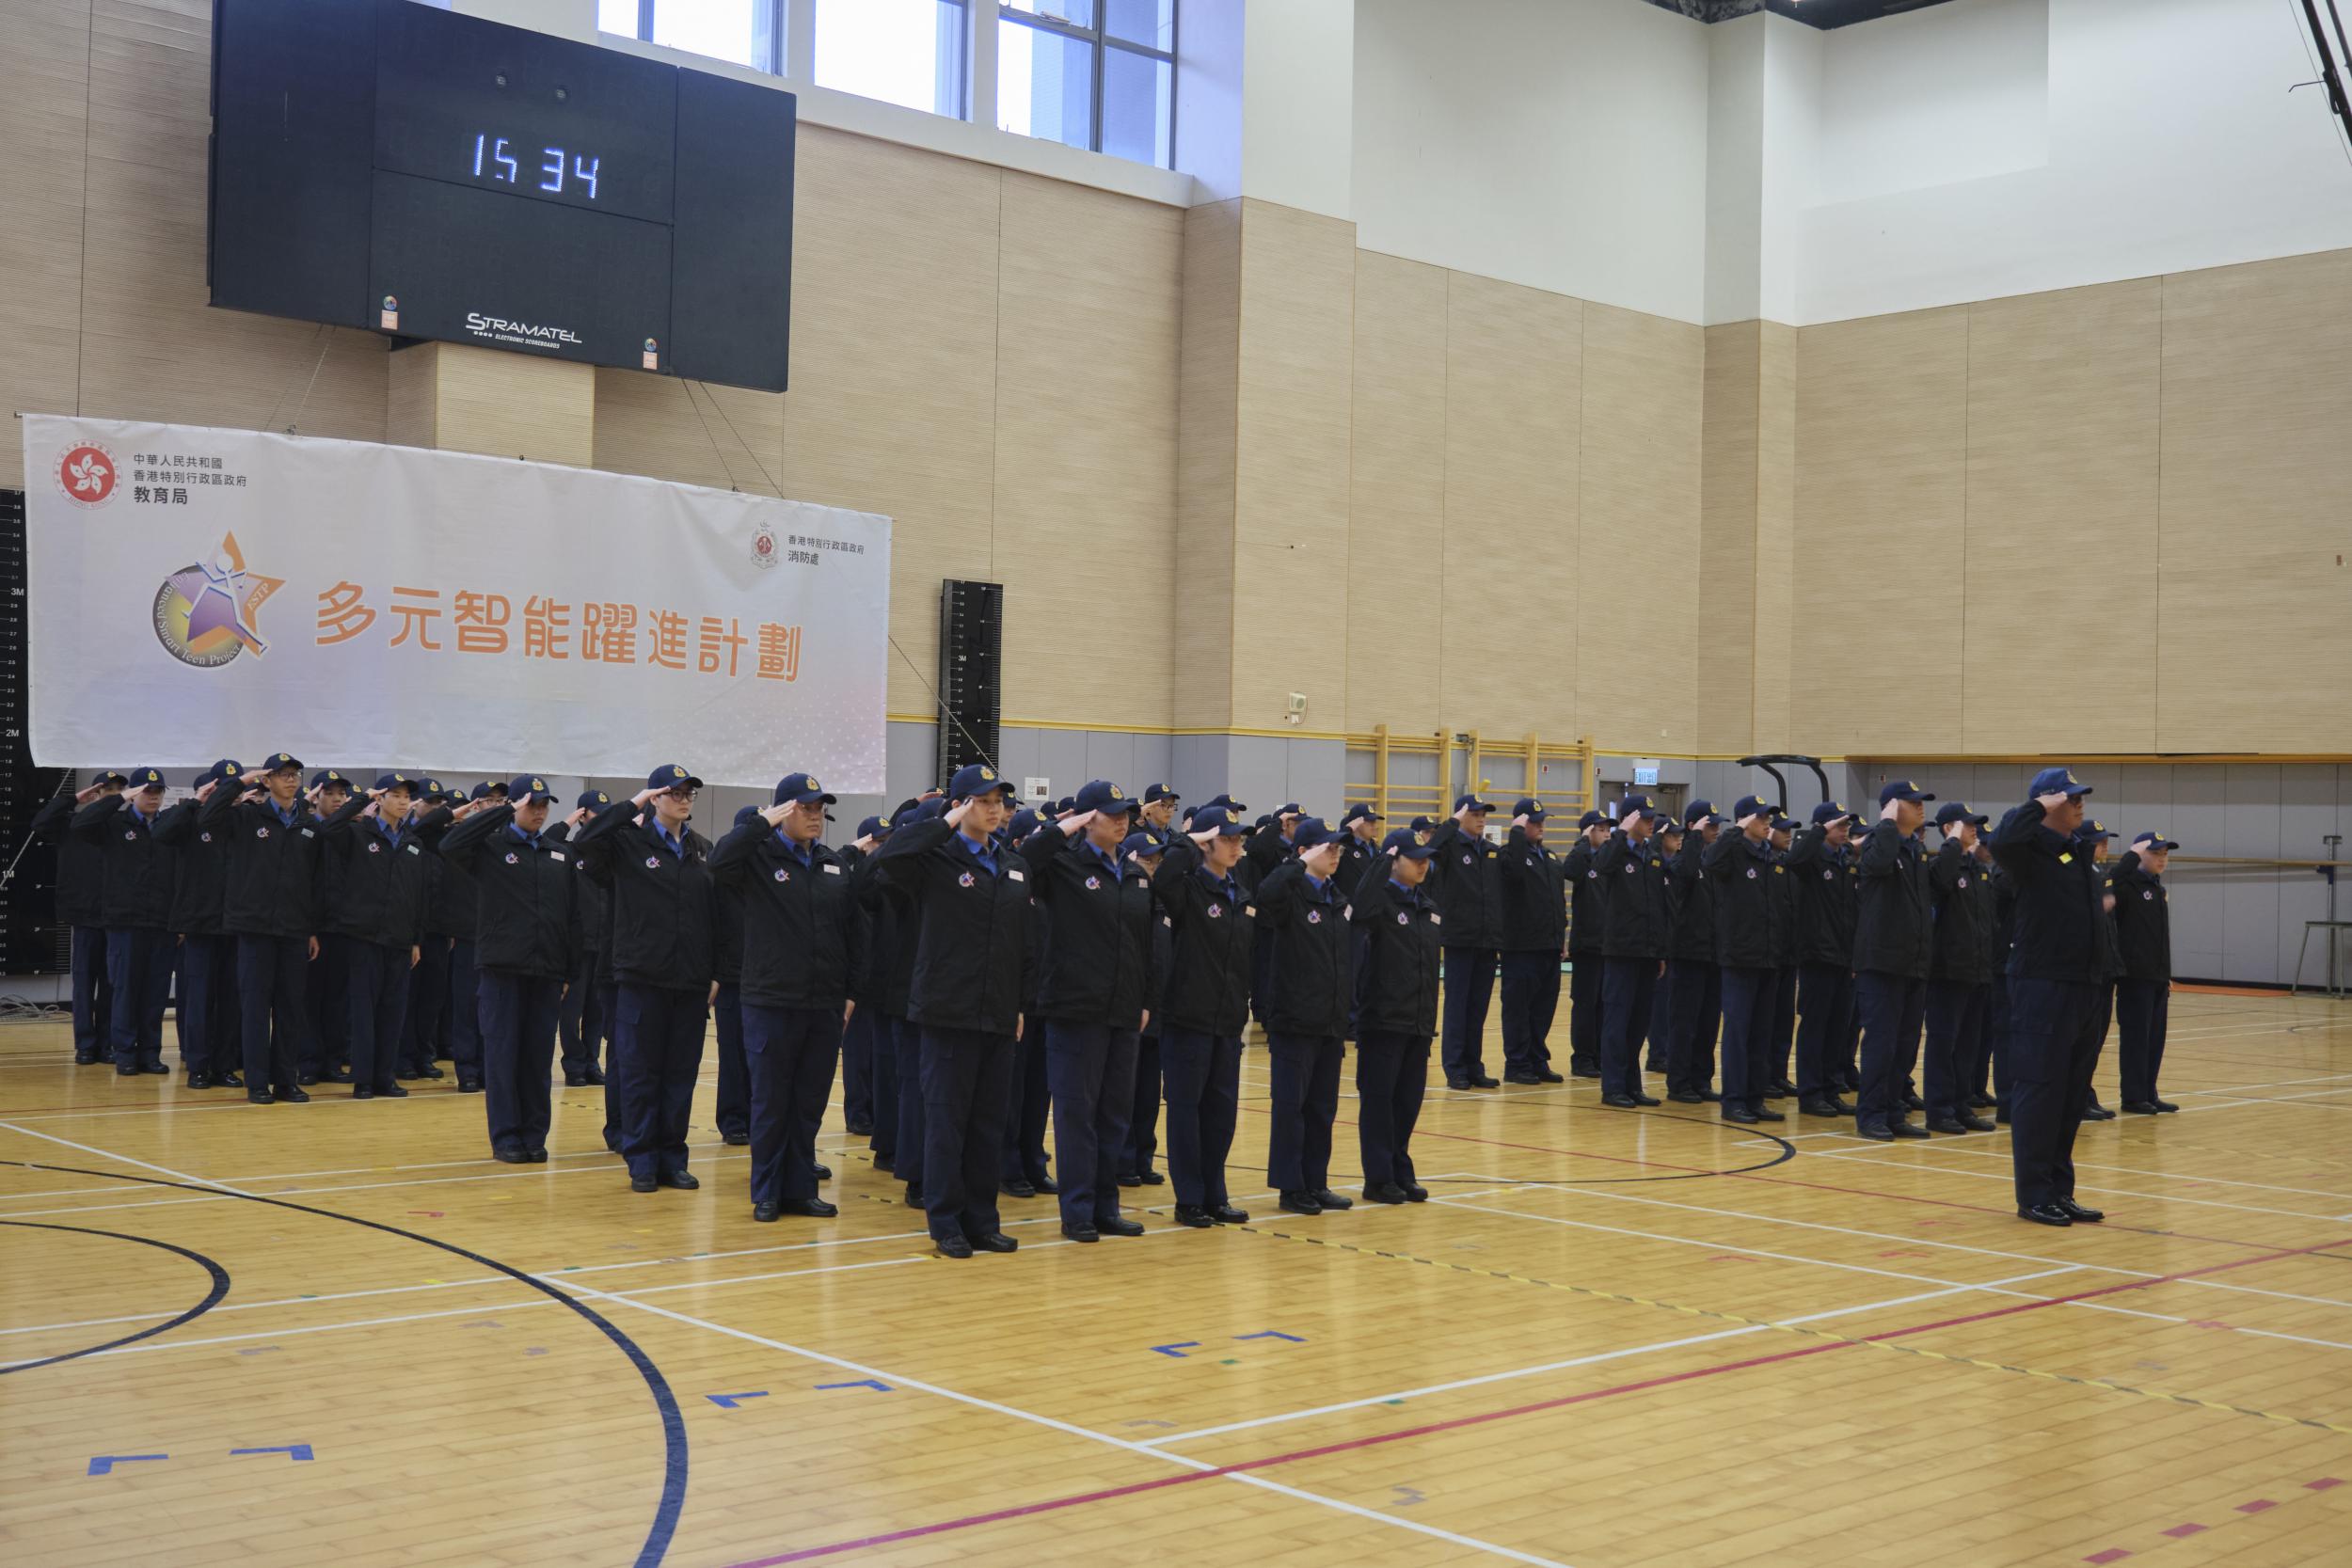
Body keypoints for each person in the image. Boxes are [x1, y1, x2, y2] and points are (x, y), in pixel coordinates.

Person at [863, 765, 1032, 1257]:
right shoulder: (933, 859)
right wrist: (945, 822)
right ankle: (946, 1222)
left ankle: (982, 1220)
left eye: (999, 801)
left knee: (987, 1124)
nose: (995, 809)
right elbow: (887, 859)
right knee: (946, 1124)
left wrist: (1020, 1004)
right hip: (946, 1011)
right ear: (959, 806)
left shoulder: (1013, 864)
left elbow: (1024, 943)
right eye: (983, 801)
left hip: (997, 1011)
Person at [713, 772, 860, 1222]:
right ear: (782, 812)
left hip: (824, 1002)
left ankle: (800, 1189)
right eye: (805, 809)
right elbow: (718, 862)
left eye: (819, 810)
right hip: (772, 1000)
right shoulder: (758, 858)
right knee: (771, 1102)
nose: (815, 817)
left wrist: (850, 991)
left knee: (808, 1102)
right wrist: (762, 822)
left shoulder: (833, 865)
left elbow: (851, 931)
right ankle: (768, 1191)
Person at [1019, 779, 1155, 1242]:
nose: (1122, 821)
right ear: (1086, 819)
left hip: (1123, 1009)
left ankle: (1105, 1207)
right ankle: (1077, 1211)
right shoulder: (1063, 866)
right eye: (1110, 813)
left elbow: (1144, 944)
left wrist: (1145, 999)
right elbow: (1025, 860)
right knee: (1078, 1114)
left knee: (1114, 1115)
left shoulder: (1134, 873)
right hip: (1075, 1009)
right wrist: (1063, 828)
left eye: (1125, 813)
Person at [574, 764, 719, 1194]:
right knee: (640, 1073)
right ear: (655, 798)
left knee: (680, 1075)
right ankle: (641, 1160)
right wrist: (632, 804)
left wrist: (715, 972)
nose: (684, 799)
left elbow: (715, 916)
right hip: (641, 977)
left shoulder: (701, 849)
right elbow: (585, 842)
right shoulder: (627, 844)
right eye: (674, 792)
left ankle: (672, 1158)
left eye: (689, 793)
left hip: (690, 981)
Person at [436, 776, 581, 1160]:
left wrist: (569, 971)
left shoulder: (558, 855)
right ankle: (506, 1138)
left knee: (537, 1059)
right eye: (532, 804)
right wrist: (504, 811)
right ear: (516, 806)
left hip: (547, 971)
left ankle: (534, 1136)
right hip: (502, 970)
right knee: (503, 1056)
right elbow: (450, 844)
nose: (539, 812)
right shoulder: (492, 848)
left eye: (543, 805)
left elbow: (572, 916)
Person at [1990, 768, 2109, 1226]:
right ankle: (2034, 1194)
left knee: (2071, 1096)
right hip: (2042, 986)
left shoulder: (2076, 850)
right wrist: (2039, 804)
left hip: (2083, 986)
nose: (2080, 804)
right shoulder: (2027, 850)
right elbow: (2002, 839)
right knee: (2040, 1091)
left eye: (2080, 797)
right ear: (2047, 802)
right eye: (2070, 798)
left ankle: (2060, 1190)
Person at [1151, 805, 1257, 1228]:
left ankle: (1216, 1194)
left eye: (1238, 839)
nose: (1235, 846)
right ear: (1207, 843)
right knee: (1186, 1113)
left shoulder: (1240, 892)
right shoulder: (1188, 888)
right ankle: (1189, 1199)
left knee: (1221, 1115)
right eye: (1226, 838)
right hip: (1188, 1019)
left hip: (1227, 1021)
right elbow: (1163, 880)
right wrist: (1187, 840)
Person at [201, 753, 329, 1103]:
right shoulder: (246, 817)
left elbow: (317, 881)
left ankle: (286, 1080)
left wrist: (312, 929)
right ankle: (257, 1082)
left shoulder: (309, 824)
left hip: (294, 929)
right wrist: (240, 782)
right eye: (282, 774)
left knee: (290, 1008)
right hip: (255, 928)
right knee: (256, 1008)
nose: (291, 780)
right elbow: (208, 816)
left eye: (295, 774)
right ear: (267, 780)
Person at [1254, 816, 1357, 1215]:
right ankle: (1291, 1186)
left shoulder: (1337, 898)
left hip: (1329, 1021)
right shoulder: (1290, 893)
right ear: (1304, 852)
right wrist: (1297, 862)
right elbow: (1266, 893)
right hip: (1295, 1019)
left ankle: (1316, 1181)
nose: (1335, 854)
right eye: (1327, 847)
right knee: (1290, 1108)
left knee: (1321, 1110)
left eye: (1338, 848)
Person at [317, 773, 429, 1100]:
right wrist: (362, 799)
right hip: (363, 936)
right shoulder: (357, 833)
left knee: (393, 1012)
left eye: (407, 796)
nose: (403, 802)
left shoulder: (413, 843)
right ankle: (363, 1078)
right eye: (395, 795)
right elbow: (328, 829)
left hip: (400, 939)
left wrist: (416, 939)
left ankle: (385, 1076)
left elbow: (419, 895)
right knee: (363, 1010)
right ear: (380, 799)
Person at [1352, 828, 1441, 1202]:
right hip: (1383, 1020)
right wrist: (1380, 862)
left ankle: (1400, 1168)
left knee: (1407, 1103)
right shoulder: (1379, 905)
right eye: (1414, 859)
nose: (1422, 865)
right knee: (1379, 1103)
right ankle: (1378, 1177)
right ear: (1392, 861)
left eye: (1426, 859)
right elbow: (1360, 909)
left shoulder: (1428, 907)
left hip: (1418, 1021)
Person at [71, 766, 176, 1076]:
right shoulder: (115, 824)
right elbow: (81, 825)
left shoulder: (169, 826)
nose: (153, 797)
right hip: (125, 922)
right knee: (125, 990)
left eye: (158, 791)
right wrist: (119, 799)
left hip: (161, 922)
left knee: (155, 992)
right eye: (147, 791)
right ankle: (125, 1052)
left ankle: (150, 1053)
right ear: (134, 794)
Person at [152, 760, 245, 1087]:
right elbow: (161, 834)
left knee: (230, 1000)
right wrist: (194, 802)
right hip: (199, 924)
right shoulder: (189, 818)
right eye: (223, 787)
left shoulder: (242, 820)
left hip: (235, 924)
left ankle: (224, 1065)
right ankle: (199, 1066)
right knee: (199, 999)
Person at [1853, 780, 1935, 1141]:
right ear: (1891, 806)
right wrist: (1886, 823)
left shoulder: (1915, 850)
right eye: (1912, 801)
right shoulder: (1879, 842)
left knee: (1904, 1046)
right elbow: (1877, 865)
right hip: (1881, 963)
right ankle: (1871, 1114)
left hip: (1912, 962)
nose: (1921, 806)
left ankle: (1893, 1111)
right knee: (1881, 1045)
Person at [33, 770, 125, 1065]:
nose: (113, 794)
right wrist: (72, 799)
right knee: (84, 984)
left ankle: (107, 1043)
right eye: (107, 789)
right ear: (95, 793)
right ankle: (85, 1044)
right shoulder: (72, 824)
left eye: (118, 790)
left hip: (116, 917)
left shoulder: (124, 826)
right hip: (84, 916)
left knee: (111, 984)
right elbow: (40, 823)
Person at [1705, 796, 1784, 1124]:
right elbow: (1710, 861)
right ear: (1744, 820)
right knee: (1738, 1033)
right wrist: (1735, 831)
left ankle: (1755, 1097)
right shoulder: (1732, 852)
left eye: (1769, 818)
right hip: (1739, 957)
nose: (1768, 823)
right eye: (1761, 817)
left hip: (1767, 957)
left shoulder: (1770, 855)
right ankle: (1734, 1100)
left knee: (1761, 1033)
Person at [1923, 802, 1998, 1134]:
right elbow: (1939, 883)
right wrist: (1953, 841)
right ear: (1948, 828)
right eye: (1967, 824)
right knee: (1944, 1043)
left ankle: (1961, 1104)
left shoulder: (1978, 870)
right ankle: (1939, 1109)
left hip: (1977, 969)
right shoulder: (1941, 865)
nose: (1974, 829)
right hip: (1948, 971)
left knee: (1969, 1044)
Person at [1596, 798, 1672, 1108]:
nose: (1651, 823)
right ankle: (1613, 1087)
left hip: (1647, 952)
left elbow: (1659, 906)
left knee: (1639, 1023)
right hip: (1621, 951)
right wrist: (1620, 833)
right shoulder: (1616, 851)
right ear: (1629, 820)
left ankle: (1632, 1085)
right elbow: (1601, 866)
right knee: (1617, 1021)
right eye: (1645, 818)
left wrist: (1660, 951)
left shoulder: (1651, 855)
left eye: (1653, 817)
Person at [1426, 794, 1505, 1089]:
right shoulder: (1450, 848)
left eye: (1484, 814)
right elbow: (1431, 849)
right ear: (1462, 816)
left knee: (1478, 1009)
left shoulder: (1491, 851)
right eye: (1475, 814)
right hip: (1460, 939)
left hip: (1487, 941)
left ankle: (1474, 1066)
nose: (1481, 818)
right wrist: (1452, 822)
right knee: (1457, 1008)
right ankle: (1455, 1068)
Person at [1788, 802, 1859, 1117]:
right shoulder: (1812, 858)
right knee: (1815, 1028)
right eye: (1838, 825)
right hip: (1817, 956)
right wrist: (1818, 830)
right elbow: (1795, 859)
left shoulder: (1844, 860)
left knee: (1837, 1029)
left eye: (1846, 826)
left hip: (1842, 957)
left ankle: (1831, 1088)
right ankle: (1811, 1093)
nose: (1845, 830)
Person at [1118, 831, 1174, 1190]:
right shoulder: (1126, 900)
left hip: (1157, 1012)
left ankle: (1143, 1157)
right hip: (1129, 1009)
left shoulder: (1163, 903)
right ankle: (1122, 1160)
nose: (1153, 866)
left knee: (1149, 1096)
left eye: (1156, 861)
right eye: (1146, 859)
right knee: (1125, 1092)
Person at [1496, 799, 1566, 1085]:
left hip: (1549, 946)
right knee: (1518, 1009)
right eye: (1533, 822)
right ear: (1520, 824)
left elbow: (1557, 901)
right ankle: (1516, 1064)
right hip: (1521, 947)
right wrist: (1515, 834)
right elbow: (1514, 874)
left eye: (1542, 821)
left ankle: (1537, 1060)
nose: (1540, 826)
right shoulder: (1508, 856)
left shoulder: (1549, 857)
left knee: (1543, 1009)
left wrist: (1561, 936)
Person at [2112, 831, 2178, 1114]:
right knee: (2136, 1039)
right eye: (2156, 853)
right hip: (2134, 977)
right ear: (2140, 854)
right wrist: (2131, 857)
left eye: (2165, 854)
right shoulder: (2126, 885)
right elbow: (2111, 882)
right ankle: (2133, 1096)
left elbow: (2158, 937)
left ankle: (2149, 1092)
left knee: (2154, 1039)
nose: (2162, 859)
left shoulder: (2158, 888)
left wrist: (2165, 972)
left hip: (2157, 976)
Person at [835, 813, 892, 1138]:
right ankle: (858, 1113)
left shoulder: (887, 878)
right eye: (879, 843)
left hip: (883, 979)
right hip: (857, 982)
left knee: (880, 1054)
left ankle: (878, 1112)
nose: (884, 848)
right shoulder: (850, 877)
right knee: (858, 1054)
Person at [556, 789, 615, 1087]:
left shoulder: (613, 854)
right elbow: (550, 841)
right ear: (582, 816)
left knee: (598, 1010)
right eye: (595, 814)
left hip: (605, 945)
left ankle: (592, 1061)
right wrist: (567, 822)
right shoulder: (569, 851)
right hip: (577, 946)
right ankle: (574, 1064)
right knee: (571, 1012)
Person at [302, 768, 357, 1085]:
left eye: (342, 794)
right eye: (330, 793)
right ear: (316, 797)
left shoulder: (351, 832)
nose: (337, 799)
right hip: (314, 928)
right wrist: (309, 928)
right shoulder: (308, 829)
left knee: (338, 999)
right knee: (310, 998)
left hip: (343, 927)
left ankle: (334, 1061)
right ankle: (308, 1061)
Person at [1663, 801, 1721, 1103]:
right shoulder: (1682, 860)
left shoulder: (1711, 861)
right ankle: (1679, 1082)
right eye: (1710, 825)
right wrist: (1694, 838)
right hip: (1687, 954)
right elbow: (1684, 873)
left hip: (1713, 954)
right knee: (1684, 1023)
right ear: (1693, 827)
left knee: (1708, 1024)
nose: (1716, 829)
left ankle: (1701, 1079)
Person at [711, 804, 758, 1149]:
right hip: (730, 979)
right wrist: (714, 972)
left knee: (763, 1057)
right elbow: (710, 926)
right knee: (733, 1055)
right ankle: (734, 1120)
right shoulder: (722, 878)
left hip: (766, 980)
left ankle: (759, 1118)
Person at [1561, 808, 1611, 1078]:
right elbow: (1569, 871)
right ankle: (1582, 1058)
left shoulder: (1609, 861)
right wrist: (1583, 841)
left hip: (1609, 945)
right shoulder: (1581, 859)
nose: (1607, 834)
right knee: (1585, 1004)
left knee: (1605, 1004)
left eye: (1608, 829)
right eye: (1600, 829)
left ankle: (1601, 1055)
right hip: (1587, 945)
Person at [1766, 816, 1803, 1096]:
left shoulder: (1790, 864)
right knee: (1767, 1020)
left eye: (1790, 830)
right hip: (1770, 953)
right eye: (1782, 830)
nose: (1788, 834)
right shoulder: (1764, 862)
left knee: (1784, 1020)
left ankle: (1778, 1073)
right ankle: (1764, 1075)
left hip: (1790, 952)